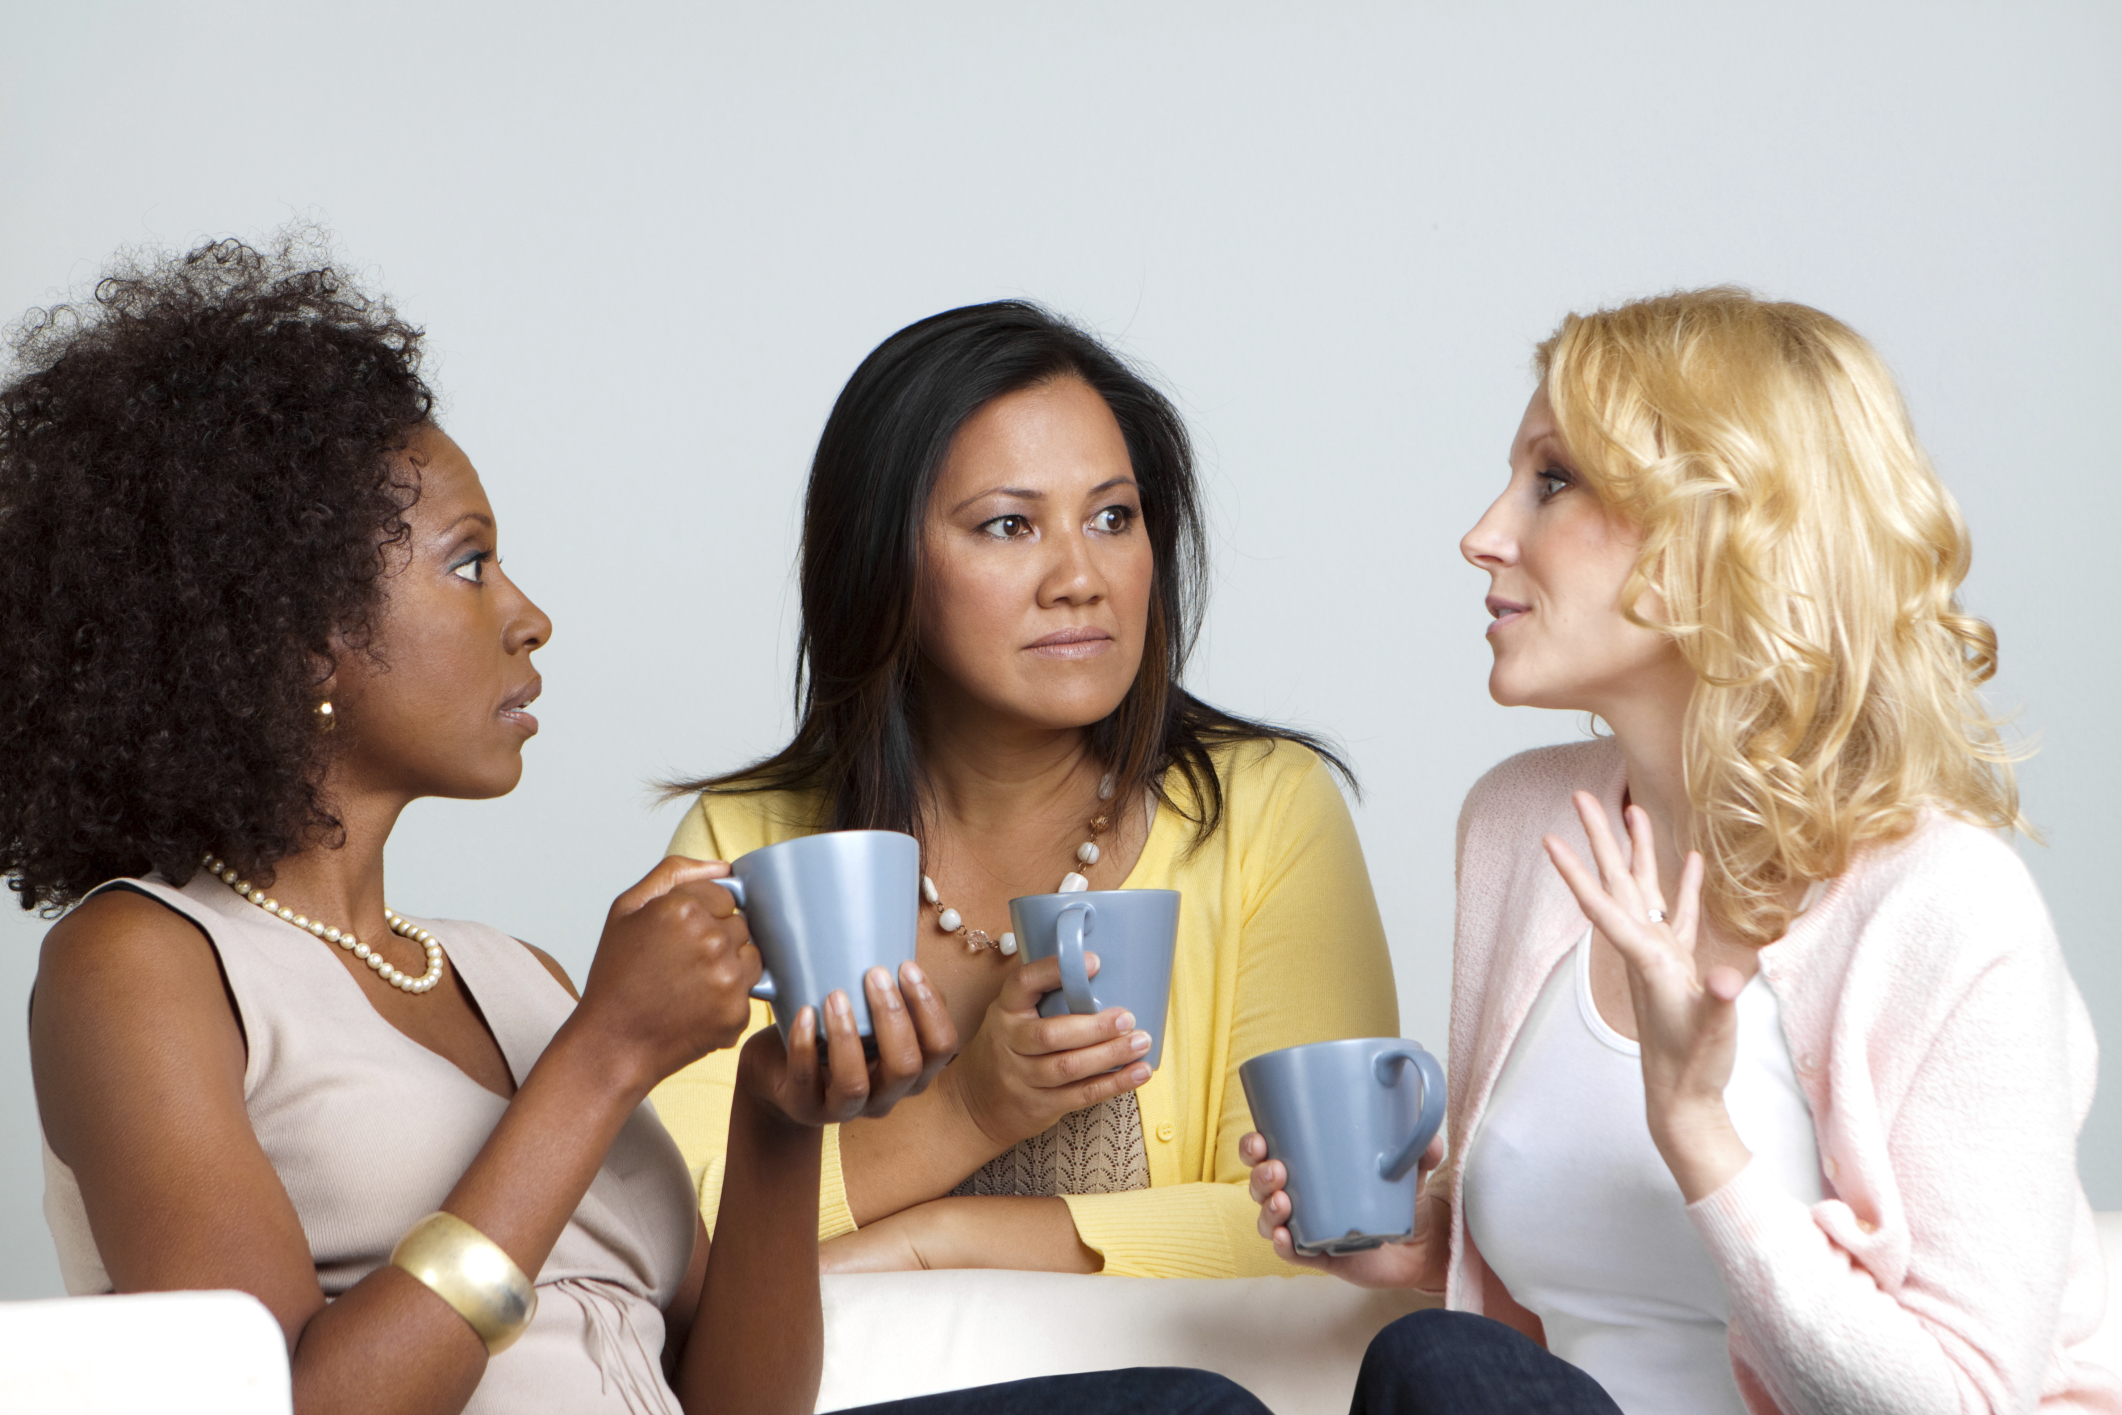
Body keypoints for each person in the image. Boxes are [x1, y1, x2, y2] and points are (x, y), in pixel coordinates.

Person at [5, 237, 1265, 1415]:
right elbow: (289, 1405)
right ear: (291, 628)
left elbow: (738, 1403)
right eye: (468, 562)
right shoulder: (142, 962)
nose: (529, 614)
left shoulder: (511, 977)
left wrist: (779, 1116)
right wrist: (603, 1057)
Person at [1245, 288, 2121, 1413]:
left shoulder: (1945, 905)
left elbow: (1959, 1403)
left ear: (1715, 534)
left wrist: (1698, 1127)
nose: (1483, 534)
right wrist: (1421, 1239)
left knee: (1432, 1368)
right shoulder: (1522, 825)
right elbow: (1578, 1294)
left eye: (1551, 481)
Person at [652, 300, 1397, 1277]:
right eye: (1008, 524)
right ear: (883, 562)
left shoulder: (1261, 810)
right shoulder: (750, 837)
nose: (1080, 576)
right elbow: (664, 1234)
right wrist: (967, 1112)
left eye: (1111, 517)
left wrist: (936, 1239)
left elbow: (1327, 1231)